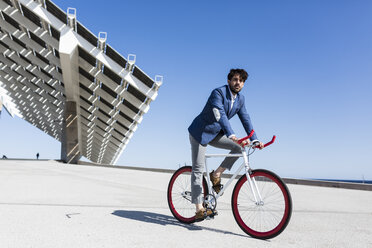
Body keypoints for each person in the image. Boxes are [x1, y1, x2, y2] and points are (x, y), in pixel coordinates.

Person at [188, 68, 264, 221]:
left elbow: (246, 119)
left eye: (241, 81)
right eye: (235, 80)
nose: (238, 83)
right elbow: (219, 114)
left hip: (216, 134)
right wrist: (232, 134)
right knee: (198, 169)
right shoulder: (218, 93)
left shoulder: (240, 100)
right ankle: (198, 208)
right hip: (200, 133)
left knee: (238, 147)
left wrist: (255, 139)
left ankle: (216, 174)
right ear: (229, 81)